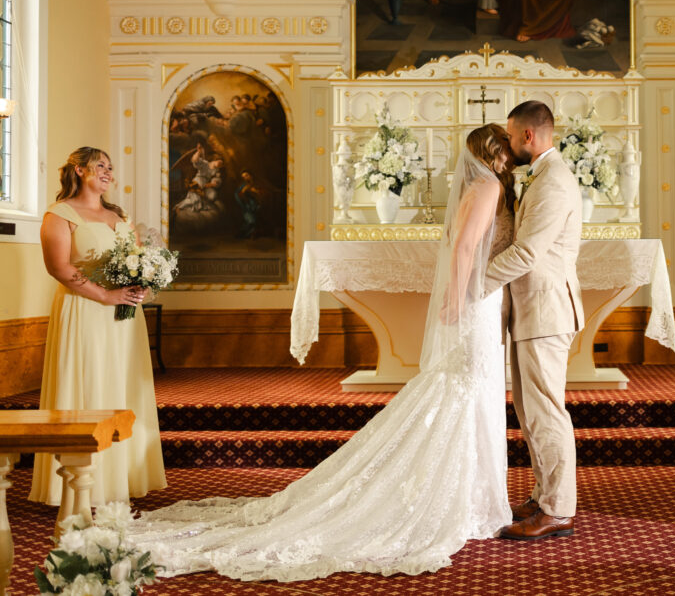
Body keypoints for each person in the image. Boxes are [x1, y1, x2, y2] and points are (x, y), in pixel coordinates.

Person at [129, 125, 516, 580]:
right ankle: (469, 500)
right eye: (508, 148)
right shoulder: (489, 185)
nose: (512, 155)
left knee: (465, 389)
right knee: (467, 388)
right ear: (494, 152)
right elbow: (467, 246)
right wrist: (457, 295)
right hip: (477, 301)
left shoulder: (481, 185)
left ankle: (471, 495)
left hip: (481, 299)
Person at [29, 148, 166, 506]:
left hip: (124, 314)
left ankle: (121, 478)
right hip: (86, 309)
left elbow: (137, 259)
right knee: (88, 384)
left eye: (110, 167)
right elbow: (58, 267)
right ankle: (79, 486)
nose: (108, 172)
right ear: (80, 170)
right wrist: (105, 296)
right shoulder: (60, 214)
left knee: (120, 386)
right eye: (100, 166)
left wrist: (143, 282)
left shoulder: (119, 215)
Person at [483, 100, 584, 540]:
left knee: (546, 412)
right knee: (530, 411)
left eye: (509, 134)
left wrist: (474, 284)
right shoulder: (541, 176)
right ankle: (545, 493)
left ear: (528, 135)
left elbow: (527, 253)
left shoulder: (554, 181)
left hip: (546, 309)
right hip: (532, 310)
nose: (506, 142)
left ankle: (558, 509)